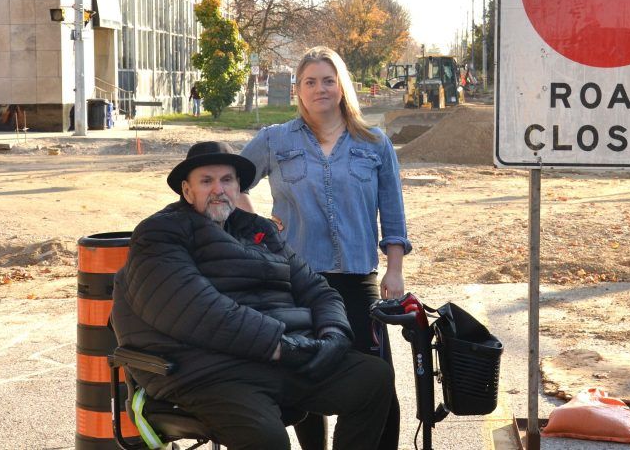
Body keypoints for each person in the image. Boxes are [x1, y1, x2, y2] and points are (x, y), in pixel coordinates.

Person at [110, 141, 394, 450]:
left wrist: (335, 334)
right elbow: (198, 311)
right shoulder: (160, 234)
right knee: (268, 441)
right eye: (206, 181)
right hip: (210, 372)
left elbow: (316, 289)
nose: (218, 189)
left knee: (372, 378)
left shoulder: (259, 230)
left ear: (239, 189)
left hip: (280, 360)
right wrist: (280, 346)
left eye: (227, 180)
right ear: (187, 190)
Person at [240, 46, 410, 450]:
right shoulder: (274, 140)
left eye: (328, 80)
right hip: (297, 281)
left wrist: (395, 269)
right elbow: (232, 182)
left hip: (357, 278)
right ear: (298, 90)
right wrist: (258, 225)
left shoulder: (374, 143)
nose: (320, 89)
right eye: (310, 82)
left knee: (377, 379)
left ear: (342, 86)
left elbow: (393, 212)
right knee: (307, 379)